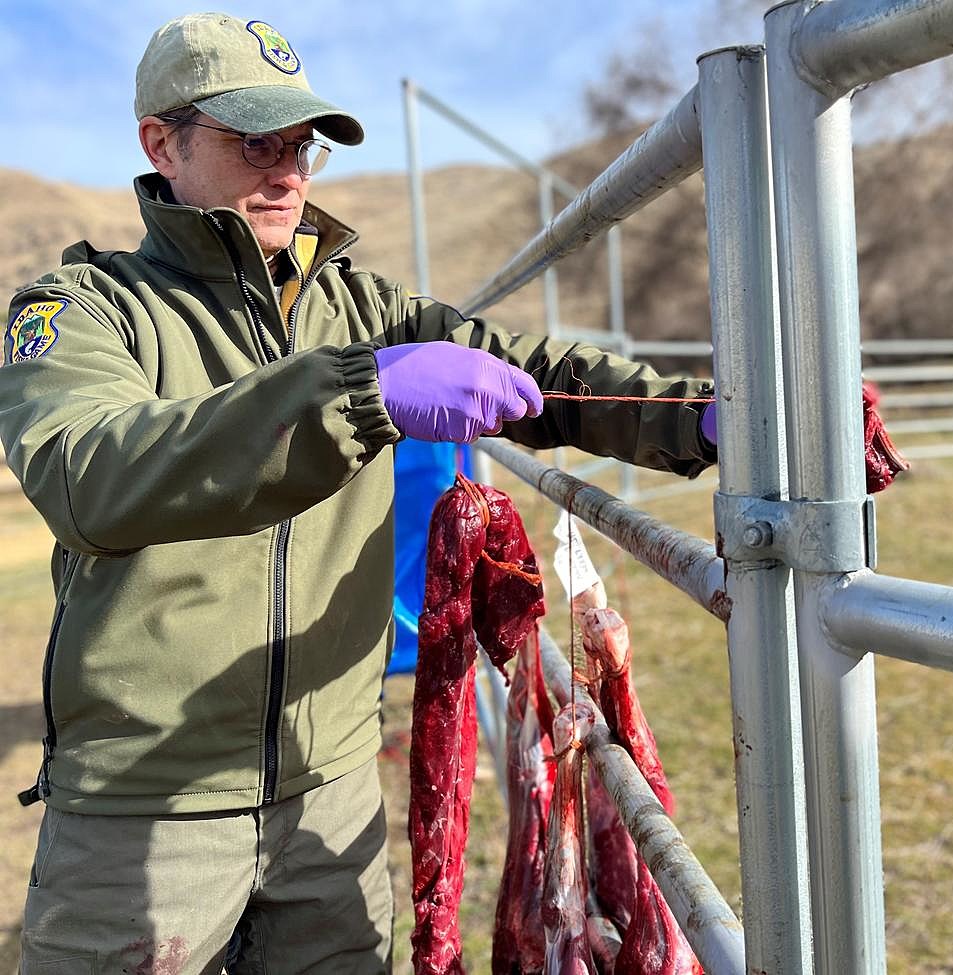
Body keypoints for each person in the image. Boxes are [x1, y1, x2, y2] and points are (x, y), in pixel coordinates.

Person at [0, 13, 716, 973]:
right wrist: (354, 393)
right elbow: (91, 470)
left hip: (331, 794)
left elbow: (531, 369)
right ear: (160, 143)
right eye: (256, 140)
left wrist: (703, 417)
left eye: (302, 145)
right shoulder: (82, 310)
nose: (289, 170)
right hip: (145, 804)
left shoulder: (361, 308)